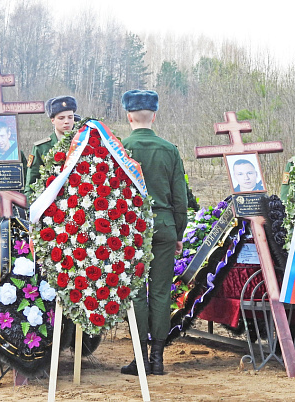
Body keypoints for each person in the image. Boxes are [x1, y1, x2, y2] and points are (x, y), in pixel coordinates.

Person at [119, 90, 188, 376]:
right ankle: (158, 360)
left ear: (129, 115)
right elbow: (180, 199)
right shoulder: (169, 149)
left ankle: (140, 358)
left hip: (132, 229)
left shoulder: (120, 148)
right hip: (164, 227)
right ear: (154, 116)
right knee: (160, 292)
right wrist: (178, 233)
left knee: (136, 292)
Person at [25, 95, 77, 199]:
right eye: (61, 118)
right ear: (52, 120)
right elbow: (31, 184)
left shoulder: (82, 143)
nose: (67, 121)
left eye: (70, 117)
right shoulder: (41, 148)